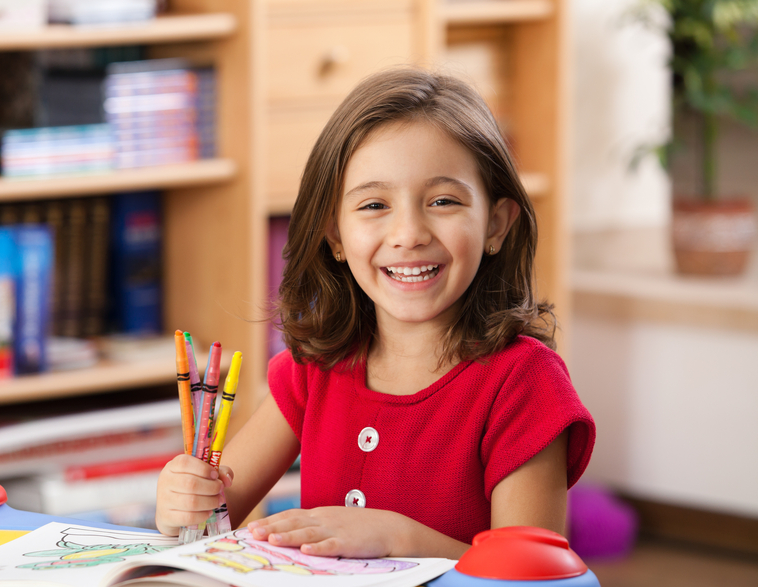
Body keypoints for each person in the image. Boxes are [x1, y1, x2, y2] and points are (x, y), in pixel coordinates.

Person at [155, 67, 595, 560]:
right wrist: (181, 504)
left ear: (495, 224)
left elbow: (531, 572)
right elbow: (215, 518)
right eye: (374, 205)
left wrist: (398, 540)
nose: (409, 233)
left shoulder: (525, 384)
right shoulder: (314, 368)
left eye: (443, 201)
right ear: (335, 235)